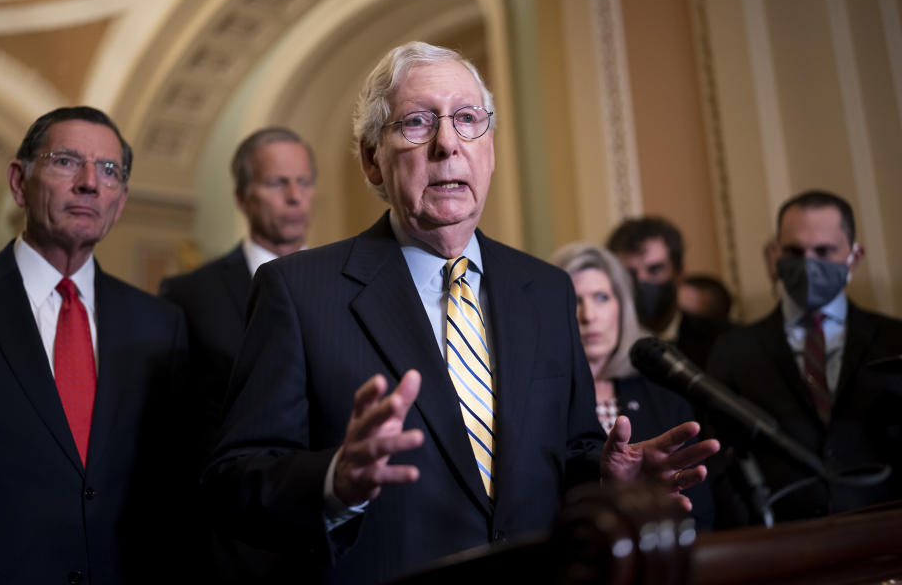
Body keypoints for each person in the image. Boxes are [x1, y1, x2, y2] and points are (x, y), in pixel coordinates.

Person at [203, 42, 718, 582]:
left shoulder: (545, 290)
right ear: (371, 158)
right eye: (417, 123)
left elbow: (570, 452)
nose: (448, 144)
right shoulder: (298, 290)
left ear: (490, 148)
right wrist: (335, 478)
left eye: (468, 119)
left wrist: (607, 478)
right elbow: (234, 481)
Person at [0, 106, 191, 583]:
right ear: (19, 182)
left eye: (110, 170)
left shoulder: (162, 325)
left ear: (120, 202)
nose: (90, 182)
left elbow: (171, 492)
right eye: (66, 161)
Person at [159, 127, 317, 582]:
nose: (294, 196)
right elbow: (175, 436)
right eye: (276, 183)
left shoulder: (349, 283)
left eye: (303, 182)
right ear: (243, 197)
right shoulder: (190, 295)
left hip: (331, 537)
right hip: (233, 549)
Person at [706, 190, 902, 526]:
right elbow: (718, 457)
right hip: (781, 543)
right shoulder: (733, 350)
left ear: (854, 258)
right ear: (774, 255)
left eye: (824, 251)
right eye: (795, 251)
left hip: (883, 535)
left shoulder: (893, 339)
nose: (808, 263)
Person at [551, 242, 715, 528]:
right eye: (574, 301)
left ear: (621, 307)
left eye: (601, 297)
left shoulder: (665, 396)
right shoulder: (537, 400)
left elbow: (698, 510)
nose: (589, 316)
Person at [607, 216, 726, 368]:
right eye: (629, 274)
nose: (642, 281)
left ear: (679, 273)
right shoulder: (603, 346)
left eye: (655, 269)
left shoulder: (720, 342)